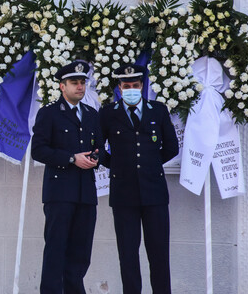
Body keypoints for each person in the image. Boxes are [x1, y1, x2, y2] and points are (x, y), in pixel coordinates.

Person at [99, 64, 179, 294]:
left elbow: (171, 147)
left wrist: (151, 164)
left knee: (159, 254)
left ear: (142, 86)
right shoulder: (108, 113)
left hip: (154, 193)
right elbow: (98, 146)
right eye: (126, 86)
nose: (131, 89)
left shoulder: (158, 110)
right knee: (128, 255)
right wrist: (116, 165)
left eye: (135, 85)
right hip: (124, 194)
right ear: (119, 88)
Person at [31, 60, 102, 294]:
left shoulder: (92, 115)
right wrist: (71, 158)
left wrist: (95, 158)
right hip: (60, 193)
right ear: (62, 86)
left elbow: (99, 147)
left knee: (81, 254)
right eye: (74, 83)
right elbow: (38, 150)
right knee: (56, 251)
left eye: (82, 82)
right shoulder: (49, 113)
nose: (80, 87)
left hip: (86, 194)